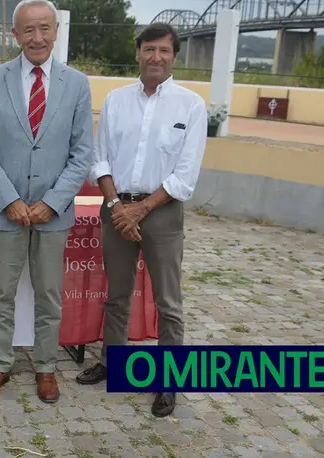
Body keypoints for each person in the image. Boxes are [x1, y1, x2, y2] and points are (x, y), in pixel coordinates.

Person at [76, 22, 207, 418]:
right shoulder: (116, 100)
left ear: (174, 56)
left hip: (161, 211)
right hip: (116, 208)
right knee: (117, 294)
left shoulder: (191, 105)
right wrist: (117, 205)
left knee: (169, 302)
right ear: (138, 53)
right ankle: (113, 362)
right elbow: (99, 157)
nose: (155, 57)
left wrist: (142, 209)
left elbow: (186, 174)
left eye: (164, 51)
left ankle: (168, 382)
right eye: (149, 49)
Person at [0, 0, 94, 403]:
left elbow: (81, 155)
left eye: (45, 28)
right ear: (15, 34)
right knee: (1, 294)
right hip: (5, 212)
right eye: (28, 29)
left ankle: (45, 367)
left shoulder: (77, 84)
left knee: (48, 295)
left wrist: (53, 202)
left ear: (56, 30)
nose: (37, 37)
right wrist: (8, 200)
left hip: (52, 215)